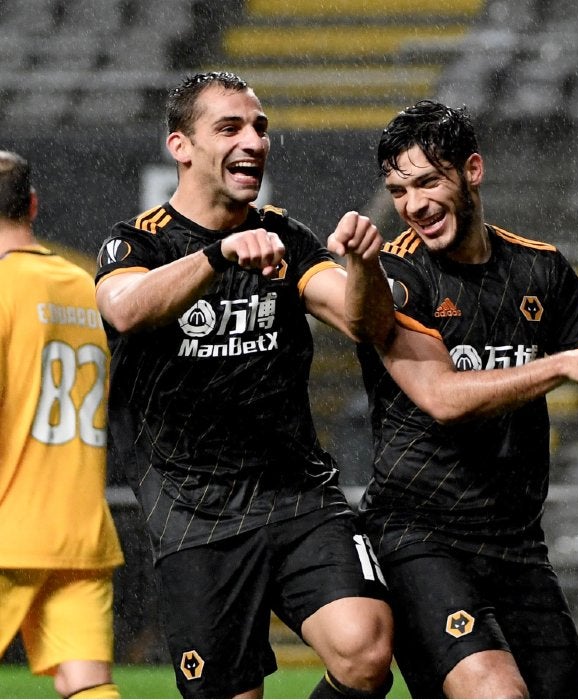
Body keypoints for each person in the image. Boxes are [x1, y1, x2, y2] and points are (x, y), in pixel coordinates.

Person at [94, 72, 395, 699]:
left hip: (298, 495)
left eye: (260, 127)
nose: (253, 141)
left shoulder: (283, 236)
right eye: (229, 128)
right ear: (181, 146)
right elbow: (123, 309)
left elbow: (363, 322)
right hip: (194, 514)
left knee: (365, 652)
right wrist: (218, 256)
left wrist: (362, 267)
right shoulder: (137, 241)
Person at [356, 100, 578, 699]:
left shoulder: (541, 269)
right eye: (400, 190)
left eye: (429, 181)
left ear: (473, 170)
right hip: (419, 536)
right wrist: (565, 365)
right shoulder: (395, 279)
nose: (415, 206)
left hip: (516, 542)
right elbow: (442, 397)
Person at [0, 150, 124, 699]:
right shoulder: (86, 286)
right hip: (80, 529)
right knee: (87, 687)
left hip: (9, 528)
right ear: (31, 204)